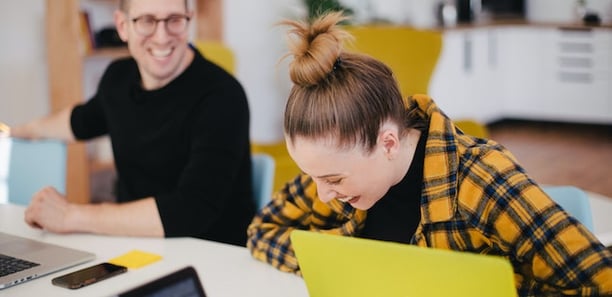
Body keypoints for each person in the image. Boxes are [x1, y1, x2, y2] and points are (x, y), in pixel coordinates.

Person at [246, 11, 612, 295]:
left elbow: (598, 281)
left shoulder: (481, 178)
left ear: (387, 143)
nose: (322, 193)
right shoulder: (338, 172)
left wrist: (481, 287)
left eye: (332, 179)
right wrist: (345, 261)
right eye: (313, 177)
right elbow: (262, 231)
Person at [9, 0, 255, 246]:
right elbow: (81, 121)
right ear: (122, 26)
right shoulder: (118, 78)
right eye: (146, 21)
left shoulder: (222, 95)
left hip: (213, 257)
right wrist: (21, 130)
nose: (161, 37)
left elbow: (191, 210)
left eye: (174, 20)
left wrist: (71, 215)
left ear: (188, 20)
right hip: (135, 246)